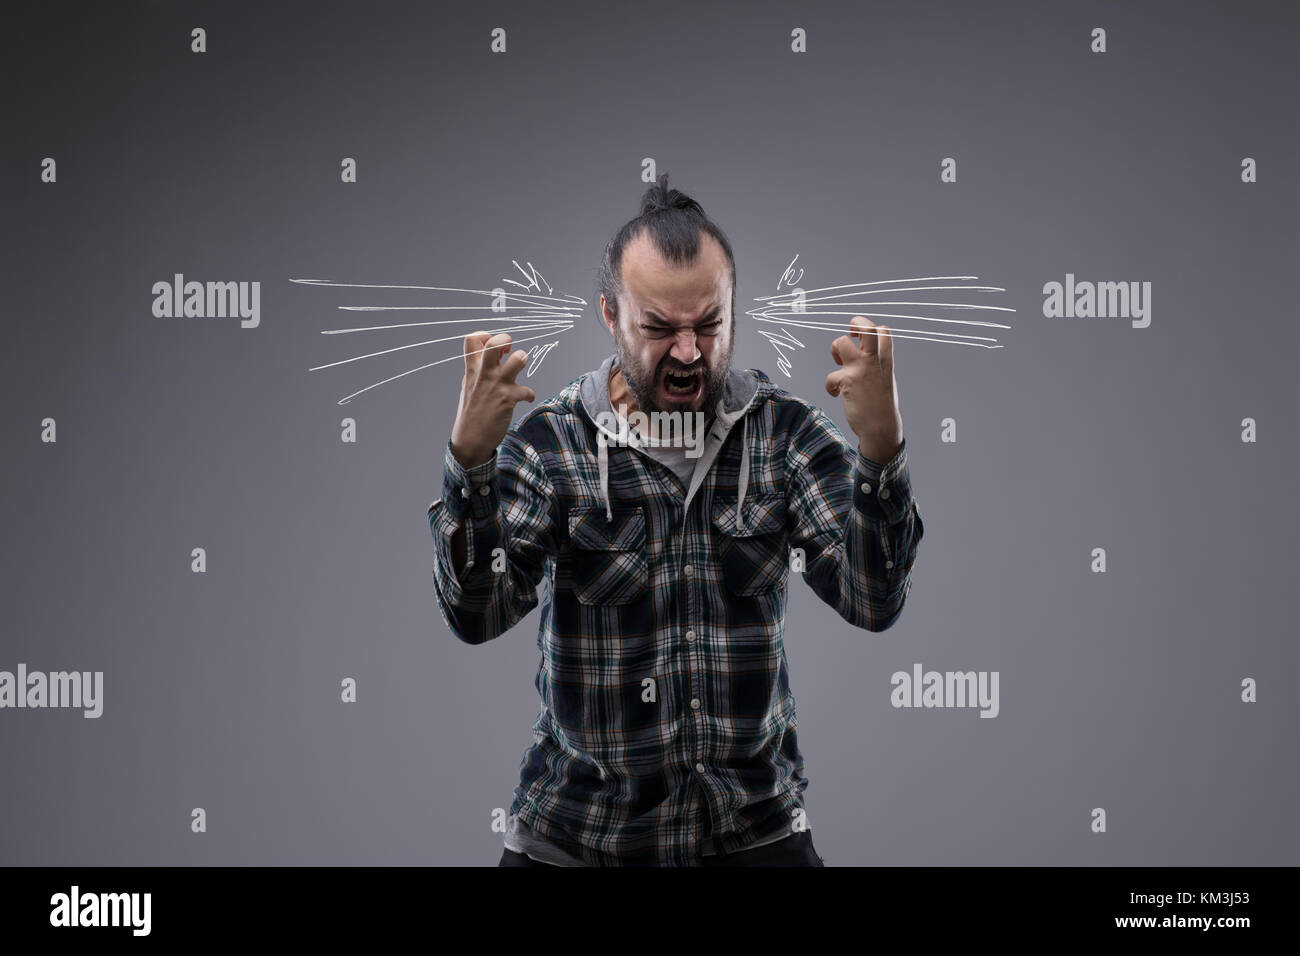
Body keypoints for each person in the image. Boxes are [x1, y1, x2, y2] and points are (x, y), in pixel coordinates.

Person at [426, 174, 925, 866]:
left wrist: (881, 452)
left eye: (709, 325)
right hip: (579, 842)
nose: (688, 354)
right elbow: (475, 616)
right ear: (610, 315)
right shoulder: (553, 446)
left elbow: (873, 600)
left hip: (754, 836)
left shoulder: (782, 435)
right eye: (660, 328)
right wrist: (470, 466)